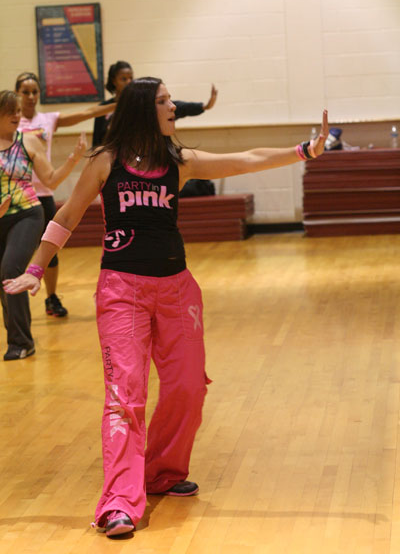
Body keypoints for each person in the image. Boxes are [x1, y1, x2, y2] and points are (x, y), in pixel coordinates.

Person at [4, 77, 328, 536]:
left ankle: (161, 472)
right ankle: (119, 501)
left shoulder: (179, 160)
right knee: (125, 398)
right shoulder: (105, 161)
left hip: (177, 290)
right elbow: (68, 216)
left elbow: (244, 159)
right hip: (122, 292)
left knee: (189, 388)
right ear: (142, 109)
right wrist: (36, 270)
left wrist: (303, 151)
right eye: (164, 101)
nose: (174, 106)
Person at [15, 72, 115, 317]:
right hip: (16, 195)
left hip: (44, 192)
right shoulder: (9, 121)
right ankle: (14, 303)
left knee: (50, 247)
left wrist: (122, 102)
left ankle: (50, 297)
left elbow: (87, 113)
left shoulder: (48, 119)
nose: (30, 96)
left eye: (34, 91)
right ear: (17, 93)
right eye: (25, 92)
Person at [0, 90, 86, 361]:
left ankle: (21, 343)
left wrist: (73, 159)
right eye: (11, 111)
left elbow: (50, 180)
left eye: (18, 111)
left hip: (27, 215)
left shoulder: (28, 141)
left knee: (11, 270)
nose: (17, 115)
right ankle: (17, 335)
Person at [92, 60, 218, 147]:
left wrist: (204, 106)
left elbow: (174, 107)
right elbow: (96, 143)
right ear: (114, 80)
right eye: (123, 79)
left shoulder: (141, 104)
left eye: (131, 77)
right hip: (110, 163)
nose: (128, 81)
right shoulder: (103, 109)